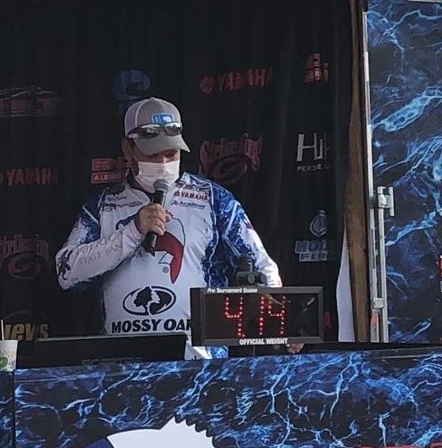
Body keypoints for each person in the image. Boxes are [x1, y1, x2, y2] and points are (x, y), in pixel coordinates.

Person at [56, 97, 282, 354]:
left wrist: (280, 323)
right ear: (127, 149)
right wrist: (131, 232)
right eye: (152, 154)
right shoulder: (103, 205)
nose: (163, 163)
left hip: (198, 366)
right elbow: (66, 272)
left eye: (171, 153)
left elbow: (263, 268)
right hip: (123, 364)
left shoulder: (213, 199)